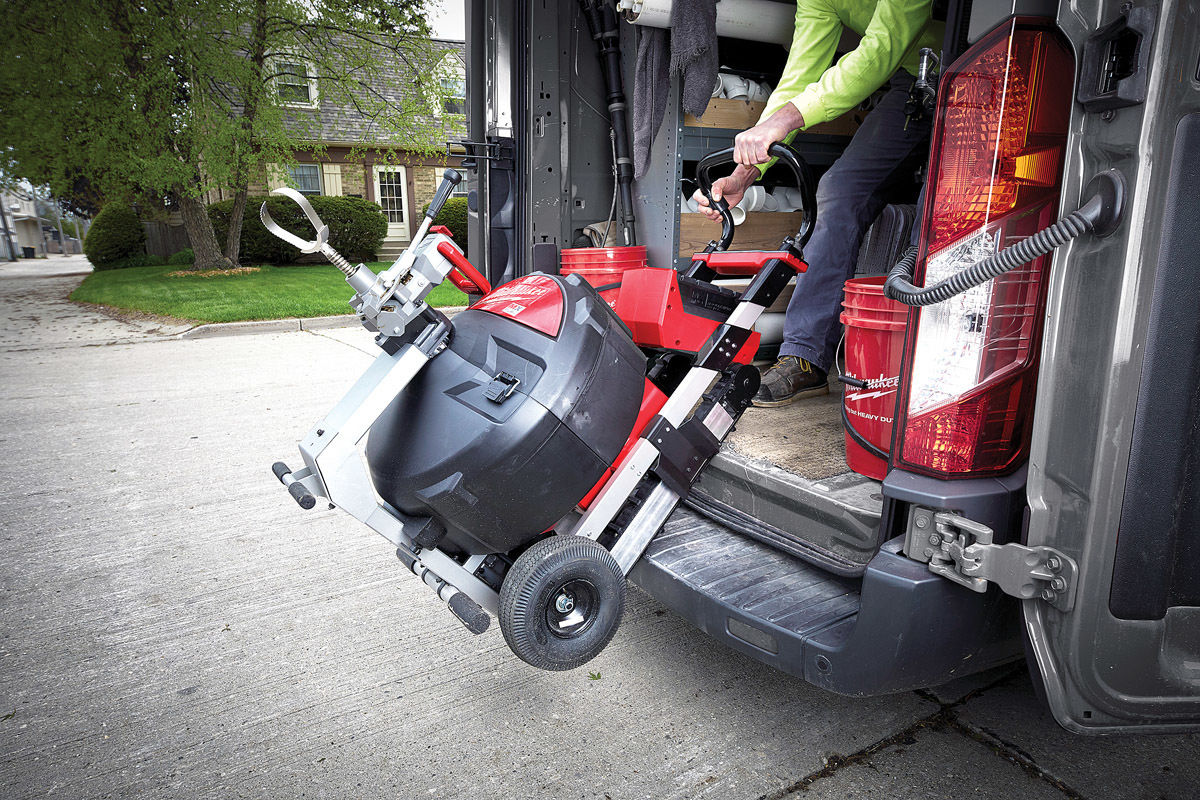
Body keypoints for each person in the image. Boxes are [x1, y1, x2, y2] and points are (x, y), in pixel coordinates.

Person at [693, 0, 943, 406]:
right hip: (916, 81)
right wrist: (744, 173)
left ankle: (926, 361)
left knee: (940, 203)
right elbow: (799, 77)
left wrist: (788, 118)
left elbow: (883, 46)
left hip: (979, 69)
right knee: (839, 190)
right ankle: (805, 356)